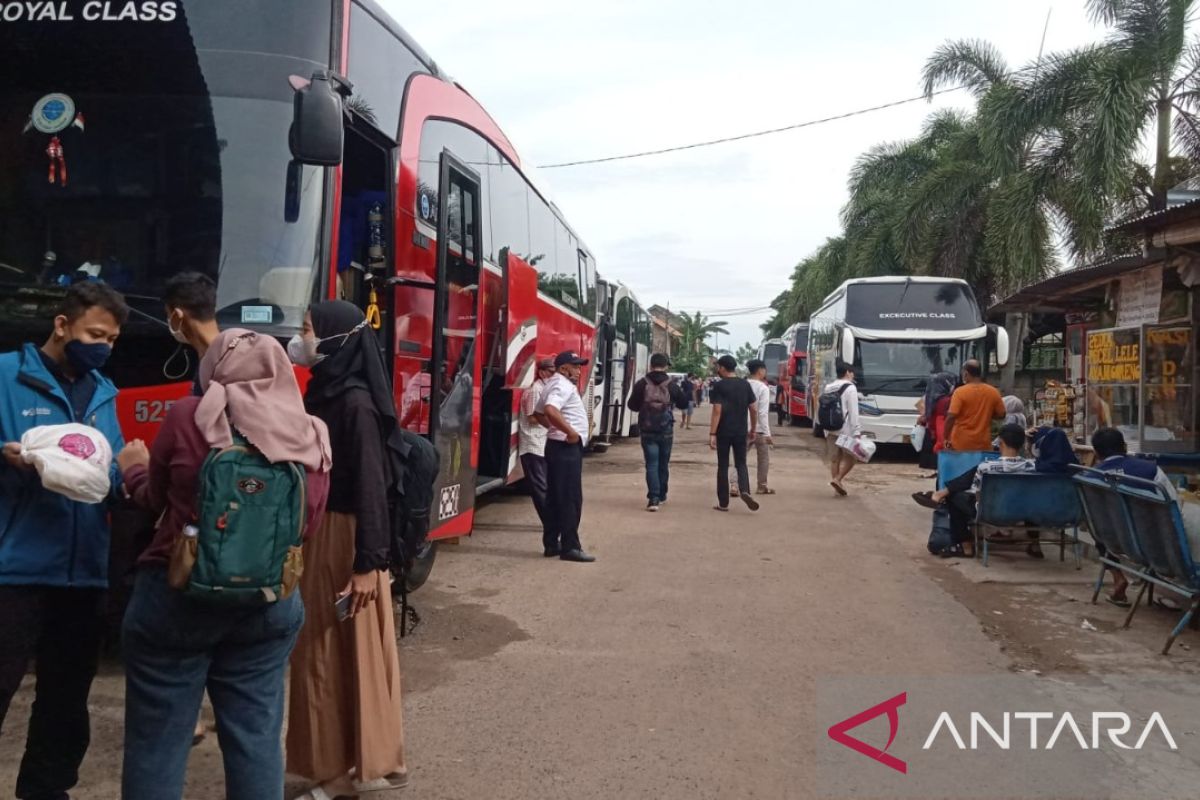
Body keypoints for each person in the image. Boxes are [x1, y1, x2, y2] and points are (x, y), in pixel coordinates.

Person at [117, 329, 331, 800]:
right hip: (268, 602)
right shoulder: (311, 431)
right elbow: (308, 524)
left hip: (176, 594)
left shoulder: (188, 415)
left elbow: (153, 500)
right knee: (255, 737)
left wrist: (132, 467)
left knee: (158, 742)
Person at [0, 282, 127, 800]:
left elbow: (109, 474)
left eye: (113, 339)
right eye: (97, 334)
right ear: (61, 325)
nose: (104, 347)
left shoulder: (103, 393)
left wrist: (128, 473)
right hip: (14, 572)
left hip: (83, 573)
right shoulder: (7, 375)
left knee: (65, 701)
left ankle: (46, 791)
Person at [286, 301, 410, 798]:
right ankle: (367, 761)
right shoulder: (332, 393)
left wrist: (365, 565)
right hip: (340, 539)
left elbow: (370, 490)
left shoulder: (352, 404)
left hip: (345, 540)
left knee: (323, 652)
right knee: (348, 653)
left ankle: (336, 775)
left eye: (309, 330)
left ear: (337, 339)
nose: (301, 339)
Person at [1092, 426, 1178, 606]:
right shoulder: (1151, 470)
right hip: (1155, 543)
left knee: (1099, 525)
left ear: (1096, 453)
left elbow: (1091, 519)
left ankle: (1117, 576)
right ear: (1124, 446)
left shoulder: (1091, 476)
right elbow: (1173, 504)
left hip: (1114, 542)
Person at [923, 424, 1035, 558]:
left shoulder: (986, 467)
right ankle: (1035, 544)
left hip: (990, 511)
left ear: (1001, 442)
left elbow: (976, 493)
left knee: (955, 498)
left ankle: (966, 546)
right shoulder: (1032, 467)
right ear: (1022, 444)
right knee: (1034, 498)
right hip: (1023, 511)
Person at [536, 351, 595, 562]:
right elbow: (550, 410)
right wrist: (569, 432)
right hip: (565, 448)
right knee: (570, 498)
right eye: (575, 366)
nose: (579, 371)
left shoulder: (550, 384)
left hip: (556, 445)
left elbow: (539, 413)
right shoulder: (562, 385)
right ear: (563, 368)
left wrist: (554, 430)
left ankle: (552, 543)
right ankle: (570, 547)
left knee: (554, 498)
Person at [627, 353, 690, 512]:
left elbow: (632, 405)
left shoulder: (642, 383)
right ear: (666, 366)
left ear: (650, 365)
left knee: (651, 463)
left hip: (647, 429)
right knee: (663, 463)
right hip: (665, 428)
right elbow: (683, 403)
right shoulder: (672, 384)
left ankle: (653, 498)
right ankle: (662, 494)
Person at [709, 355, 759, 512]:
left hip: (723, 432)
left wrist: (712, 433)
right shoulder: (745, 384)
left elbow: (717, 410)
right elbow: (753, 408)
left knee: (723, 466)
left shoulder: (719, 386)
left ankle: (723, 503)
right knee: (741, 463)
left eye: (718, 367)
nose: (717, 370)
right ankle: (745, 490)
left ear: (723, 368)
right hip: (740, 431)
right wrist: (753, 428)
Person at [519, 357, 556, 546]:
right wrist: (556, 422)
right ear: (542, 373)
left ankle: (551, 523)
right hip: (533, 445)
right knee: (540, 489)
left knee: (546, 487)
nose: (554, 376)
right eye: (551, 372)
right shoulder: (535, 391)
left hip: (542, 444)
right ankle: (550, 524)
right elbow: (532, 418)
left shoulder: (545, 390)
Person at [942, 360, 1005, 452]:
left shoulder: (960, 392)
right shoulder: (993, 391)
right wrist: (986, 413)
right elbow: (1001, 415)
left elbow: (951, 416)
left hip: (961, 444)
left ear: (966, 373)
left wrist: (946, 437)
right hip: (983, 444)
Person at [824, 360, 861, 497]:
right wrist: (857, 431)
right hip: (845, 429)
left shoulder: (829, 387)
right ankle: (837, 479)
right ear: (847, 373)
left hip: (830, 428)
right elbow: (853, 411)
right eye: (852, 373)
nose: (853, 375)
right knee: (852, 458)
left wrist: (825, 429)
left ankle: (836, 487)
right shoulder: (850, 388)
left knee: (835, 459)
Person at [746, 359, 775, 494]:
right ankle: (761, 486)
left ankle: (734, 485)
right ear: (760, 371)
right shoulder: (763, 388)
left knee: (740, 458)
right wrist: (767, 433)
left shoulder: (743, 385)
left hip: (742, 427)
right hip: (758, 429)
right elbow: (762, 412)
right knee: (763, 458)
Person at [918, 371, 956, 471]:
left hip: (932, 437)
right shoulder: (947, 401)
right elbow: (944, 428)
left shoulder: (930, 398)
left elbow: (928, 419)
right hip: (944, 443)